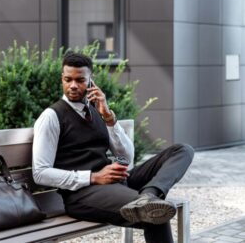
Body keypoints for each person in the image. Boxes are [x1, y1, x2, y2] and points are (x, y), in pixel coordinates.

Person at [32, 52, 194, 243]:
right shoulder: (51, 117)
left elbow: (127, 157)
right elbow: (40, 173)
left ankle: (149, 194)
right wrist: (94, 177)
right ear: (62, 79)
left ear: (91, 81)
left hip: (115, 183)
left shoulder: (98, 111)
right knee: (154, 213)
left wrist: (108, 116)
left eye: (80, 80)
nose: (73, 85)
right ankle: (148, 201)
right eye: (68, 80)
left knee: (182, 150)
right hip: (83, 195)